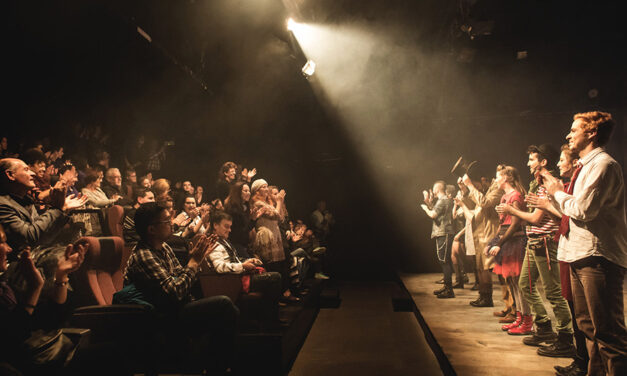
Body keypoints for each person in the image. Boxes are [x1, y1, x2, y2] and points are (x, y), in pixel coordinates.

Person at [541, 111, 627, 376]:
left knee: (608, 332)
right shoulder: (584, 166)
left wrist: (557, 192)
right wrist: (556, 194)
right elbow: (575, 211)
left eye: (574, 129)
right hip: (579, 253)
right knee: (588, 327)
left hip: (597, 256)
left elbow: (584, 210)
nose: (568, 135)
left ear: (591, 133)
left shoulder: (603, 165)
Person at [124, 202, 238, 373]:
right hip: (161, 315)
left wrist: (194, 263)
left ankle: (216, 366)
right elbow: (175, 291)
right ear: (151, 229)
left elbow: (181, 279)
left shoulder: (164, 248)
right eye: (166, 221)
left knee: (224, 311)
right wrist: (193, 263)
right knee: (223, 305)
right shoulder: (143, 255)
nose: (171, 223)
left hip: (177, 307)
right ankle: (218, 367)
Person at [497, 145, 574, 355]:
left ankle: (565, 336)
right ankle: (544, 327)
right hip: (534, 242)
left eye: (532, 159)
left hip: (545, 242)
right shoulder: (537, 184)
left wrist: (511, 209)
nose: (529, 163)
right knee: (525, 285)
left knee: (554, 293)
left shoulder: (548, 184)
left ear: (543, 162)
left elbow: (536, 218)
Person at [527, 144, 589, 375]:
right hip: (565, 246)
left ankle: (571, 346)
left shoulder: (558, 184)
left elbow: (571, 213)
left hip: (568, 247)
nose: (559, 163)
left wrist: (545, 204)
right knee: (569, 302)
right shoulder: (559, 183)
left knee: (564, 299)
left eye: (563, 159)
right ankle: (580, 359)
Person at [0, 158, 86, 300]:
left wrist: (62, 211)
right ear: (10, 175)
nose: (32, 174)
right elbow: (29, 237)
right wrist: (57, 209)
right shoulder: (3, 204)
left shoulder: (25, 201)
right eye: (26, 170)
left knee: (77, 253)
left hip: (35, 260)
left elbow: (44, 238)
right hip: (17, 268)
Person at [206, 211, 282, 324]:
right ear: (215, 225)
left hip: (236, 277)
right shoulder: (213, 244)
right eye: (226, 226)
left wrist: (248, 261)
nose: (230, 230)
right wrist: (243, 266)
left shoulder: (223, 241)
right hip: (230, 282)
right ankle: (270, 321)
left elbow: (233, 261)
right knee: (275, 277)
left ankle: (263, 319)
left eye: (230, 227)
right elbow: (220, 267)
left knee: (268, 272)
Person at [487, 166, 529, 329]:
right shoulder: (505, 196)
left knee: (518, 282)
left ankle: (526, 319)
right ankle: (518, 316)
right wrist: (493, 242)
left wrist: (499, 243)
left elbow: (515, 223)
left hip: (515, 242)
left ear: (506, 178)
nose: (495, 180)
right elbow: (502, 224)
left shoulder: (515, 196)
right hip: (507, 242)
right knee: (511, 281)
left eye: (497, 177)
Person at [458, 172, 503, 307]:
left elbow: (484, 203)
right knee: (479, 268)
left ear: (484, 179)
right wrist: (465, 190)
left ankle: (488, 298)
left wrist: (469, 186)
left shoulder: (497, 189)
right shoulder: (486, 190)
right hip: (481, 233)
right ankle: (483, 296)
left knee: (485, 268)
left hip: (489, 234)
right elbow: (474, 208)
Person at [421, 180, 455, 299]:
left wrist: (425, 208)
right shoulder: (444, 200)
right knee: (444, 260)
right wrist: (429, 203)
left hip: (443, 232)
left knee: (444, 261)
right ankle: (447, 287)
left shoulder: (442, 200)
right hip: (444, 232)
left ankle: (449, 289)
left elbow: (433, 215)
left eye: (434, 188)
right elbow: (437, 213)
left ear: (437, 189)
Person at [224, 182, 253, 259]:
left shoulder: (245, 207)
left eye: (249, 191)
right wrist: (253, 220)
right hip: (235, 244)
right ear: (237, 192)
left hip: (244, 244)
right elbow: (240, 232)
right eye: (245, 191)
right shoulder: (233, 209)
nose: (248, 193)